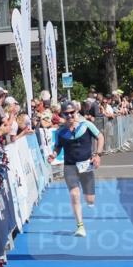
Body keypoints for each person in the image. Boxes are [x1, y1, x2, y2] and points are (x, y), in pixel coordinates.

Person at [48, 101, 104, 238]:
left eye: (72, 113)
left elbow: (100, 136)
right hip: (70, 166)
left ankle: (89, 199)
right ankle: (80, 226)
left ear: (76, 112)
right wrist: (54, 154)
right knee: (74, 194)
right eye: (66, 114)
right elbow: (58, 146)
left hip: (86, 166)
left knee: (90, 200)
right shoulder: (61, 132)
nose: (69, 116)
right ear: (62, 114)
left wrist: (97, 154)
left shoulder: (86, 125)